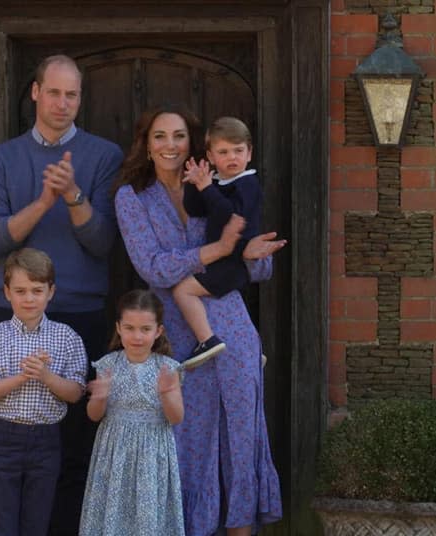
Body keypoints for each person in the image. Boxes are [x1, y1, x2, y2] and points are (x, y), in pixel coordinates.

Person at [113, 103, 285, 536]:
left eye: (178, 136)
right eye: (159, 137)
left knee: (241, 441)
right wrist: (218, 251)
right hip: (177, 340)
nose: (170, 145)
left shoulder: (221, 187)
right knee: (185, 445)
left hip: (234, 331)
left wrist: (246, 253)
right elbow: (152, 267)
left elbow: (259, 265)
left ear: (194, 145)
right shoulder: (132, 197)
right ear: (146, 145)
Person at [0, 54, 124, 534]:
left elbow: (103, 243)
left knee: (75, 444)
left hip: (80, 313)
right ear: (36, 93)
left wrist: (74, 195)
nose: (63, 103)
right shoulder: (1, 158)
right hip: (13, 313)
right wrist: (43, 201)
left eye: (73, 94)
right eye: (54, 92)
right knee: (9, 446)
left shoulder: (104, 156)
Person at [0, 248, 88, 536]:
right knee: (1, 520)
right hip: (4, 438)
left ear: (51, 292)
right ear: (7, 293)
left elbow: (75, 393)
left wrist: (45, 376)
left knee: (37, 521)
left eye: (37, 290)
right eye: (21, 291)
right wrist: (22, 377)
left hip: (46, 440)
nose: (29, 298)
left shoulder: (67, 337)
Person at [79, 289, 185, 536]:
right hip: (114, 452)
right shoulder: (107, 365)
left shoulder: (168, 368)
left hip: (152, 452)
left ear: (158, 331)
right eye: (129, 328)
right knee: (113, 511)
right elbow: (94, 416)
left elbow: (176, 417)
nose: (137, 336)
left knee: (148, 518)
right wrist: (100, 396)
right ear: (118, 327)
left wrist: (168, 394)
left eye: (145, 329)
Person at [174, 116, 263, 365]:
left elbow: (230, 216)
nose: (232, 157)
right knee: (220, 307)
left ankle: (207, 340)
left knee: (183, 291)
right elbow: (196, 210)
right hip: (222, 259)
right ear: (211, 157)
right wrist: (194, 183)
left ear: (249, 153)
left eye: (238, 150)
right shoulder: (220, 184)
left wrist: (206, 188)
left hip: (232, 260)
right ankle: (248, 347)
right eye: (223, 152)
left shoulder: (248, 184)